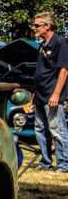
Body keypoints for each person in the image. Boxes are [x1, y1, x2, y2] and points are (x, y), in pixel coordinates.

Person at [31, 12, 68, 172]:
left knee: (57, 130)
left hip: (52, 95)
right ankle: (46, 162)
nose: (34, 28)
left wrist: (56, 93)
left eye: (37, 25)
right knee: (40, 129)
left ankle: (63, 164)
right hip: (40, 94)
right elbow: (40, 71)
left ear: (48, 26)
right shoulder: (42, 45)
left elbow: (64, 70)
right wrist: (34, 93)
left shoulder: (60, 43)